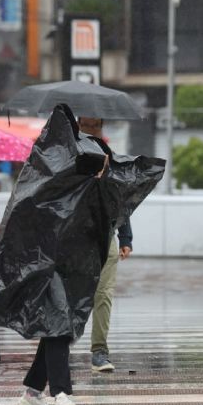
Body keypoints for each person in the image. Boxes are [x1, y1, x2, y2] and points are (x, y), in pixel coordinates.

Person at [78, 117, 133, 372]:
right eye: (88, 124)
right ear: (79, 124)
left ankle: (99, 351)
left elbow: (118, 200)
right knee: (71, 296)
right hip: (76, 238)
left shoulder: (110, 157)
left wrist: (125, 237)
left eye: (96, 124)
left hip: (106, 235)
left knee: (103, 295)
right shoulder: (69, 155)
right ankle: (58, 346)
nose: (93, 129)